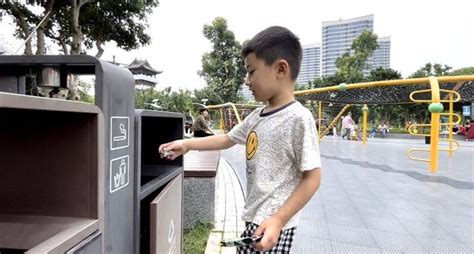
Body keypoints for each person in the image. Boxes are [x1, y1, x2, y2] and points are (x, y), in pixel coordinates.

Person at [159, 26, 321, 253]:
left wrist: (278, 220)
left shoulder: (298, 118)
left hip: (273, 224)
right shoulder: (256, 116)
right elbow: (226, 139)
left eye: (251, 71)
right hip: (253, 216)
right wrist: (186, 144)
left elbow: (312, 178)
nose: (246, 80)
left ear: (280, 69)